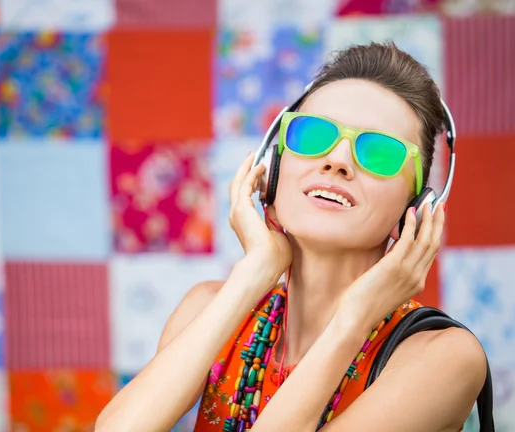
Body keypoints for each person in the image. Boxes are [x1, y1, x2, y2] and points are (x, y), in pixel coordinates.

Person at [95, 42, 487, 432]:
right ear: (274, 168)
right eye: (313, 134)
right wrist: (254, 271)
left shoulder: (443, 357)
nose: (337, 161)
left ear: (416, 207)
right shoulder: (210, 306)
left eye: (380, 152)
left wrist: (354, 318)